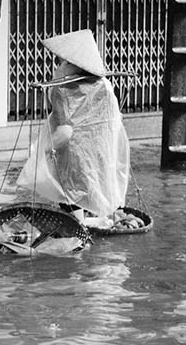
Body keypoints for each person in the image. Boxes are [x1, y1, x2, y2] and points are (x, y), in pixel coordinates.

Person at [15, 29, 130, 226]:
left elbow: (65, 132)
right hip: (103, 153)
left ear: (73, 64)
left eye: (64, 62)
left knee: (72, 198)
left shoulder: (65, 90)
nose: (61, 65)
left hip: (75, 157)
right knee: (95, 190)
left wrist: (41, 153)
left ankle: (80, 235)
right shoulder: (105, 85)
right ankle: (100, 224)